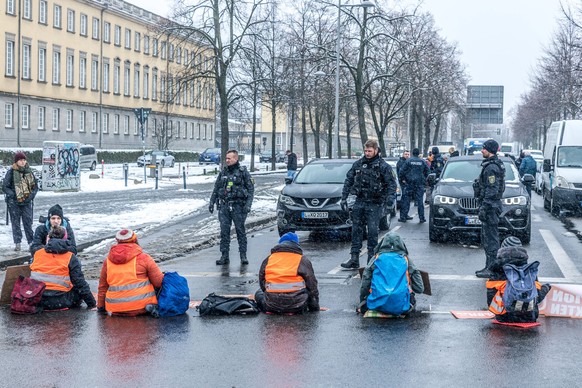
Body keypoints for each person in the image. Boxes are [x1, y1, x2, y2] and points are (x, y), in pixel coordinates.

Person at [340, 140, 397, 269]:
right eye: (365, 151)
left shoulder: (383, 166)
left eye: (370, 151)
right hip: (360, 201)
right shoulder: (359, 164)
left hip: (375, 202)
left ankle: (371, 260)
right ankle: (354, 258)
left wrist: (389, 201)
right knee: (356, 231)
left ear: (376, 150)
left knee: (372, 232)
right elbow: (348, 180)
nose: (367, 153)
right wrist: (344, 198)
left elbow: (391, 185)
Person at [97, 229, 164, 316]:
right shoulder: (144, 258)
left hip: (115, 308)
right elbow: (159, 282)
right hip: (141, 307)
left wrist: (100, 307)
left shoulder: (108, 261)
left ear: (117, 241)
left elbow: (103, 287)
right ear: (135, 240)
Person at [486, 236, 551, 323]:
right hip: (529, 318)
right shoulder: (529, 271)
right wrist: (546, 288)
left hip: (504, 318)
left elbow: (490, 300)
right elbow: (537, 297)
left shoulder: (497, 270)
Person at [30, 226, 96, 311]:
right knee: (78, 289)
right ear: (65, 238)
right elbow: (79, 283)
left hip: (38, 298)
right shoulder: (70, 257)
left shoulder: (38, 254)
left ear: (48, 238)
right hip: (60, 299)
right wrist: (92, 304)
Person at [359, 232, 424, 315]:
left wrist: (362, 300)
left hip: (377, 305)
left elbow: (365, 281)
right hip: (401, 306)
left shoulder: (376, 259)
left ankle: (381, 303)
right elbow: (419, 289)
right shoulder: (406, 260)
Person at [255, 232, 319, 314]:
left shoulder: (269, 259)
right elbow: (312, 284)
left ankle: (272, 309)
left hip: (271, 305)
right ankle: (290, 310)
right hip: (296, 306)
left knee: (258, 293)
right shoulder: (302, 260)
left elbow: (262, 282)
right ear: (296, 244)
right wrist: (314, 306)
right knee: (307, 291)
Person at [209, 149, 255, 265]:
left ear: (236, 159)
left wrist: (248, 205)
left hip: (238, 206)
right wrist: (212, 202)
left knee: (240, 231)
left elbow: (250, 189)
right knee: (224, 232)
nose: (227, 160)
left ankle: (243, 256)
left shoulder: (243, 172)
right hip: (224, 206)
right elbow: (216, 187)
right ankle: (224, 256)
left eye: (229, 158)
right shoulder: (223, 172)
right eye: (226, 158)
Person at [474, 139, 505, 278]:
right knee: (488, 238)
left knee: (491, 239)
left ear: (490, 150)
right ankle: (489, 267)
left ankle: (493, 269)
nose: (482, 150)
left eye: (484, 148)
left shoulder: (491, 167)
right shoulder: (492, 165)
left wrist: (484, 207)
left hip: (491, 207)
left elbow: (492, 190)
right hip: (491, 206)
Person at [2, 151, 38, 251]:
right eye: (20, 160)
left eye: (24, 160)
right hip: (14, 203)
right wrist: (13, 195)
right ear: (16, 162)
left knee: (28, 222)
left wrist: (30, 197)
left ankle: (31, 242)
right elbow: (5, 187)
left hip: (26, 202)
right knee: (16, 223)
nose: (22, 162)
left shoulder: (29, 172)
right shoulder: (11, 172)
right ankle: (17, 243)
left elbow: (35, 187)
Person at [398, 148, 429, 223]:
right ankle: (421, 218)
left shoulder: (408, 161)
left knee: (406, 200)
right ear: (418, 153)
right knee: (420, 201)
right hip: (419, 184)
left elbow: (401, 171)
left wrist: (403, 179)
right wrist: (423, 180)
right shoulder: (422, 161)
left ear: (412, 153)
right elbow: (428, 171)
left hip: (409, 183)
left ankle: (403, 217)